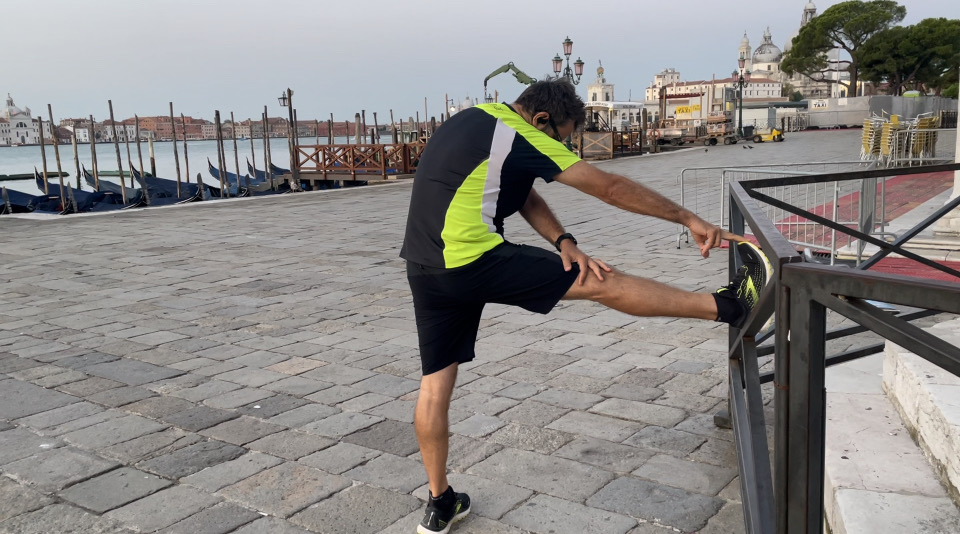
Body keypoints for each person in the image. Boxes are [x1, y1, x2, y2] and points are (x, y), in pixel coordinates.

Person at [399, 79, 770, 534]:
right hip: (474, 259)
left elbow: (522, 192)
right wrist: (688, 217)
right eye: (562, 137)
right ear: (540, 120)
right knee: (600, 281)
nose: (562, 147)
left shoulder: (477, 120)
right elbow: (609, 187)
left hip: (424, 268)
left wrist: (563, 240)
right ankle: (729, 306)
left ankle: (440, 503)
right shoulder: (519, 133)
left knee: (434, 386)